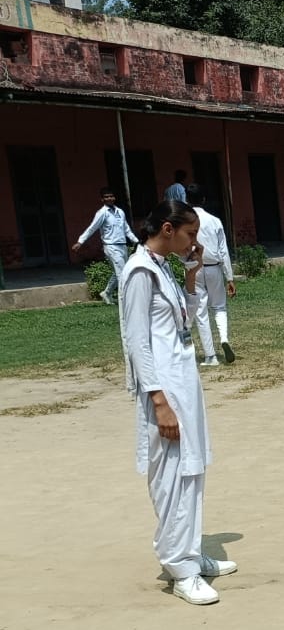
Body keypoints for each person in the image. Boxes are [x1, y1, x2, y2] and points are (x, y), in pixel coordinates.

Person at [118, 198, 237, 604]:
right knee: (172, 477)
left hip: (183, 382)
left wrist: (191, 274)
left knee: (192, 469)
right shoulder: (139, 272)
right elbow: (137, 342)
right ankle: (180, 568)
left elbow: (181, 321)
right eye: (190, 234)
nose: (194, 242)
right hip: (164, 388)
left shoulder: (163, 267)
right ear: (167, 229)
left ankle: (191, 552)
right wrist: (158, 400)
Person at [184, 186, 236, 362]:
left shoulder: (184, 222)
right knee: (219, 306)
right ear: (204, 199)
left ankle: (210, 356)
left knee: (200, 310)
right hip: (214, 267)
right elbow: (224, 250)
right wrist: (229, 277)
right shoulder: (214, 221)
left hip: (194, 268)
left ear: (187, 200)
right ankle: (224, 338)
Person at [73, 189, 138, 305]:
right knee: (122, 274)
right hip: (111, 246)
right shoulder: (102, 213)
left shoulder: (120, 212)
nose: (109, 198)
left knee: (121, 271)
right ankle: (125, 300)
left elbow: (126, 229)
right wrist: (80, 242)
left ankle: (106, 293)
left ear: (114, 197)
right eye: (106, 197)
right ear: (102, 199)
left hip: (122, 246)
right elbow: (92, 228)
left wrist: (137, 241)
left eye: (111, 196)